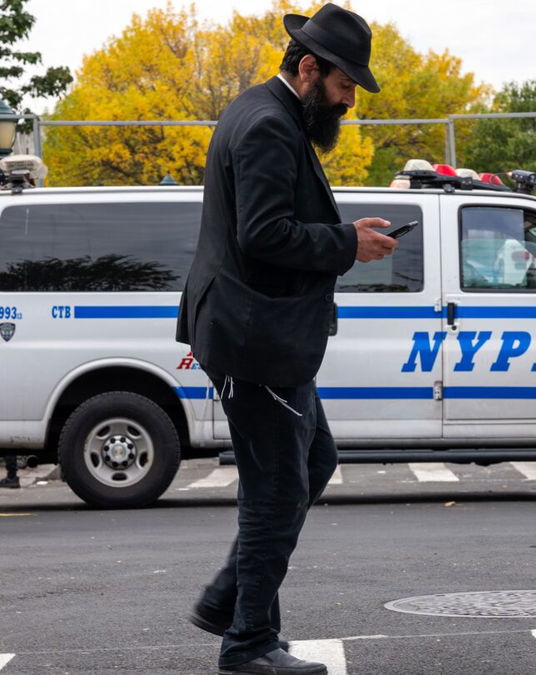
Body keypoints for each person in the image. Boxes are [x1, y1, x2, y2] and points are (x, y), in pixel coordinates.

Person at [175, 5, 395, 674]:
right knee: (277, 491)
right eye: (344, 86)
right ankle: (247, 643)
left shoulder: (264, 112)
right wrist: (345, 243)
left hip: (261, 332)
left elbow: (270, 219)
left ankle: (227, 599)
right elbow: (263, 234)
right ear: (308, 69)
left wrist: (341, 230)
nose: (349, 101)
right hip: (256, 335)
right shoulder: (270, 125)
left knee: (310, 463)